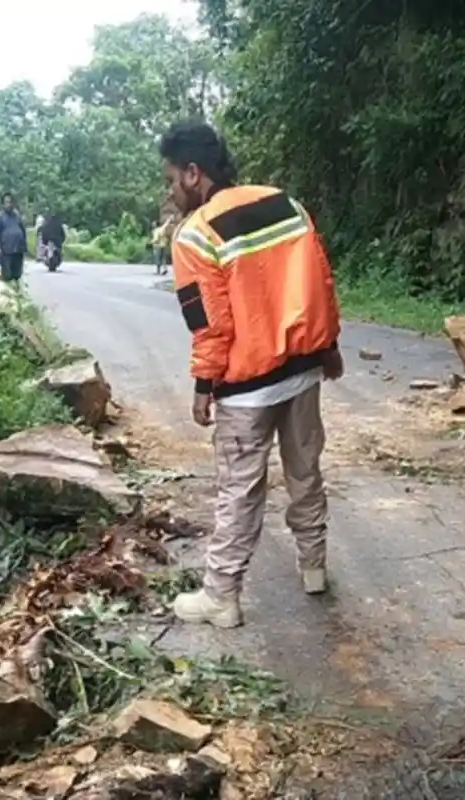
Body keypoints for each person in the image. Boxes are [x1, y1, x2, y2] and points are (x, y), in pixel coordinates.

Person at [159, 120, 344, 629]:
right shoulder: (287, 205)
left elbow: (208, 323)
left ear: (194, 174)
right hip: (303, 373)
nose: (171, 191)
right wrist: (328, 345)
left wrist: (204, 385)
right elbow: (321, 282)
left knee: (239, 489)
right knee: (306, 472)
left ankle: (222, 596)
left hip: (245, 388)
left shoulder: (195, 235)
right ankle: (314, 567)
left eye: (171, 179)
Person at [0, 192, 29, 285]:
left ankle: (17, 292)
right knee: (7, 275)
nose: (9, 204)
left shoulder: (17, 216)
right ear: (3, 204)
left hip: (18, 249)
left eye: (11, 202)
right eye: (7, 202)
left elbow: (23, 230)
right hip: (6, 251)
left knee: (17, 274)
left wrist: (24, 246)